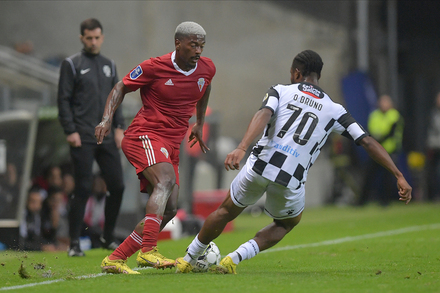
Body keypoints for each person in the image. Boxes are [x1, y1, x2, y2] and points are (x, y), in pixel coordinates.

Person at [174, 50, 412, 274]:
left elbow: (263, 114)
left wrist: (241, 147)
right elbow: (367, 141)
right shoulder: (335, 109)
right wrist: (398, 174)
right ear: (317, 75)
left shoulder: (280, 90)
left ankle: (188, 260)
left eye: (292, 72)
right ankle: (234, 258)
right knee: (286, 223)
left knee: (226, 211)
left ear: (297, 73)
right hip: (290, 178)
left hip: (259, 165)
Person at [95, 21, 215, 274]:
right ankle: (148, 251)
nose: (198, 51)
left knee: (170, 208)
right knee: (165, 181)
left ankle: (116, 258)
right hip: (145, 135)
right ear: (178, 43)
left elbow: (205, 87)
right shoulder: (154, 67)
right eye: (193, 45)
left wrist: (199, 122)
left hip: (172, 143)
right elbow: (120, 87)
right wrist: (106, 119)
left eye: (201, 45)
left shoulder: (207, 69)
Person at [57, 18, 126, 256]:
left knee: (117, 185)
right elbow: (63, 99)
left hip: (106, 136)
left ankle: (108, 236)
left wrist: (119, 127)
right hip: (83, 136)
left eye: (97, 37)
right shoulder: (72, 64)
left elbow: (116, 98)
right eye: (89, 38)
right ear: (82, 38)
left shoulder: (109, 64)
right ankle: (74, 243)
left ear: (102, 37)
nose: (94, 42)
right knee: (83, 188)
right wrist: (70, 130)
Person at [357, 94, 404, 206]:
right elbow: (370, 130)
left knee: (388, 178)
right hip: (375, 151)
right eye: (382, 102)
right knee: (369, 176)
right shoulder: (374, 115)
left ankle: (385, 201)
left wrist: (378, 140)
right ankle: (361, 201)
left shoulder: (395, 115)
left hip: (389, 151)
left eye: (386, 102)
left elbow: (391, 133)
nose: (383, 105)